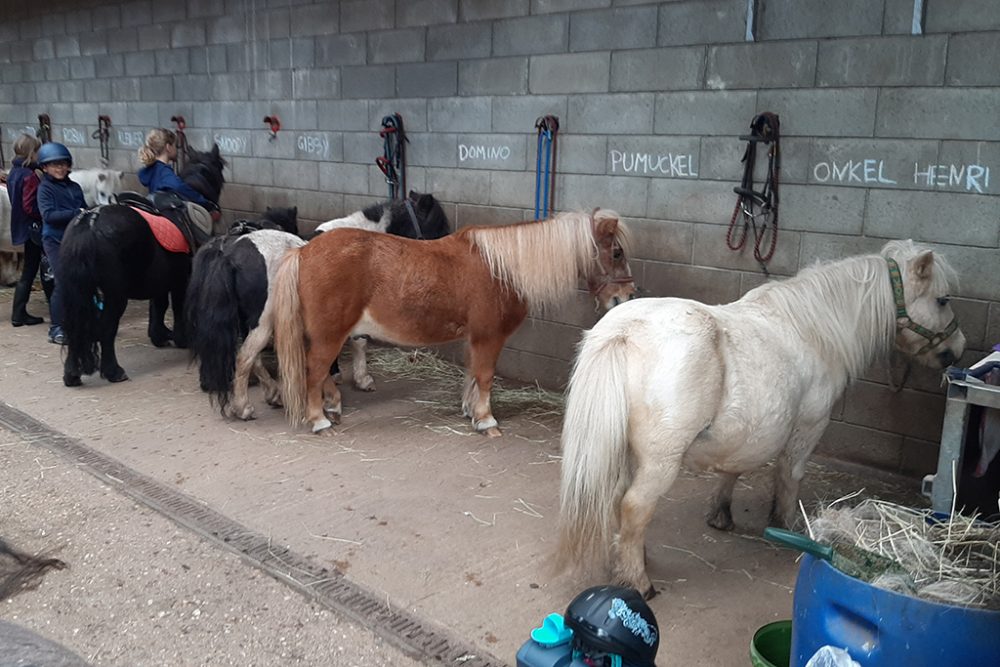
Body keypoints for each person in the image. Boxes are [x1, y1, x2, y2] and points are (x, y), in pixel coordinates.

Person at [37, 142, 87, 345]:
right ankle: (56, 328)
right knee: (62, 281)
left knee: (83, 280)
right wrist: (76, 214)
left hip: (76, 237)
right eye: (54, 165)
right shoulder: (45, 189)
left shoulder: (75, 187)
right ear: (45, 168)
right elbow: (48, 215)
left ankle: (83, 321)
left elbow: (83, 207)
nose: (59, 168)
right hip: (55, 240)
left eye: (63, 164)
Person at [136, 128, 214, 240]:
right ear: (168, 147)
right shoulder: (164, 172)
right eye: (175, 146)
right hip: (167, 212)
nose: (176, 150)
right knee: (199, 236)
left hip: (154, 209)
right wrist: (203, 202)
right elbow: (179, 187)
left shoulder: (149, 169)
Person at [6, 134, 47, 327]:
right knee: (32, 270)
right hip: (33, 228)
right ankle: (19, 313)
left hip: (22, 225)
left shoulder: (14, 172)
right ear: (32, 152)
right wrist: (45, 212)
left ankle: (18, 314)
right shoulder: (29, 175)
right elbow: (30, 206)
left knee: (29, 270)